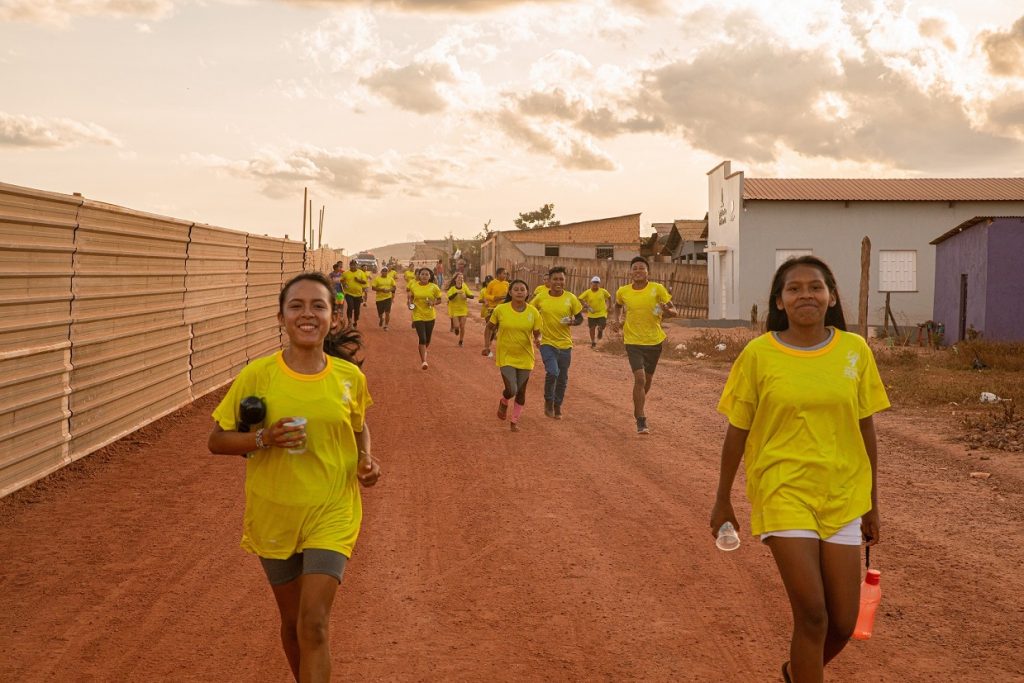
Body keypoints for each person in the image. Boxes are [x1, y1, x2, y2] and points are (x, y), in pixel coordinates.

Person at [710, 256, 889, 683]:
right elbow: (738, 430)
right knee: (812, 615)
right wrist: (722, 499)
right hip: (783, 489)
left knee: (843, 622)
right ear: (779, 300)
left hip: (843, 493)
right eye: (794, 288)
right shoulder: (758, 354)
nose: (805, 294)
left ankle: (795, 673)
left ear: (831, 297)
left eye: (815, 287)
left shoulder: (855, 350)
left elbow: (866, 427)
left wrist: (872, 505)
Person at [207, 271, 381, 683]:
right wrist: (263, 437)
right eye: (296, 306)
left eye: (318, 306)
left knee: (314, 622)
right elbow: (217, 441)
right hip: (276, 511)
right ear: (280, 317)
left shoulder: (348, 378)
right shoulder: (258, 376)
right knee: (292, 624)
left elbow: (358, 426)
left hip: (333, 509)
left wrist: (367, 460)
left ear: (333, 317)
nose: (308, 314)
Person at [608, 256, 677, 434]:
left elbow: (674, 311)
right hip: (633, 341)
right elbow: (617, 306)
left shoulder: (657, 289)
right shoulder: (623, 291)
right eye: (635, 268)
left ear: (648, 272)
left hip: (654, 341)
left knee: (647, 381)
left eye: (642, 268)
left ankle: (638, 403)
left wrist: (666, 310)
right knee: (640, 379)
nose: (638, 271)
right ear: (630, 272)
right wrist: (617, 320)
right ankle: (640, 417)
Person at [483, 279, 541, 432]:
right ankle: (504, 400)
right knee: (512, 389)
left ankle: (514, 421)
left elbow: (537, 333)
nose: (520, 292)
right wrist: (486, 345)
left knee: (521, 391)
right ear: (510, 292)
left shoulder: (533, 312)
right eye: (516, 289)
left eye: (523, 289)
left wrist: (539, 340)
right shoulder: (501, 310)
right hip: (506, 355)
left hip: (526, 356)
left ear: (527, 293)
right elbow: (489, 328)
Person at [533, 267, 583, 419]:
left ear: (565, 280)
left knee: (562, 378)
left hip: (565, 344)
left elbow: (580, 318)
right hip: (547, 343)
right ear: (549, 281)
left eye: (561, 279)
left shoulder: (571, 298)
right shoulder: (541, 297)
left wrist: (573, 322)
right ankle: (548, 401)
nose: (558, 282)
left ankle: (557, 405)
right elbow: (529, 311)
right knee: (553, 372)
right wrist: (535, 335)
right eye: (555, 279)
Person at [409, 267, 442, 369]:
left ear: (430, 276)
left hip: (430, 316)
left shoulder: (434, 287)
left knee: (427, 340)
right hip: (418, 315)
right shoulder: (414, 286)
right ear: (419, 276)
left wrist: (433, 303)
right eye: (422, 274)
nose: (424, 276)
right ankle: (424, 361)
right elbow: (411, 298)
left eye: (426, 274)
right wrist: (411, 305)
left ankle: (423, 350)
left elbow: (439, 300)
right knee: (422, 338)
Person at [480, 268, 510, 355]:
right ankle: (486, 346)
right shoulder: (492, 283)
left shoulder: (507, 284)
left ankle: (502, 347)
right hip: (492, 308)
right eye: (504, 274)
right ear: (498, 274)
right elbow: (486, 295)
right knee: (490, 326)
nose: (505, 275)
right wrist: (494, 298)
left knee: (501, 328)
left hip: (503, 308)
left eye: (506, 274)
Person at [578, 275, 612, 349]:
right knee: (592, 328)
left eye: (597, 282)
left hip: (602, 312)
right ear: (591, 283)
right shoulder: (588, 292)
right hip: (592, 313)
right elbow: (580, 298)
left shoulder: (603, 291)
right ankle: (593, 341)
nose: (595, 284)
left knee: (602, 325)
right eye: (594, 282)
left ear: (599, 284)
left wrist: (609, 306)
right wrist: (586, 305)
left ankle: (600, 331)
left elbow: (609, 297)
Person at [446, 271, 475, 347]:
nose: (461, 279)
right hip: (455, 310)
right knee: (457, 326)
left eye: (462, 278)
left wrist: (466, 296)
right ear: (455, 279)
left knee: (462, 326)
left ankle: (461, 341)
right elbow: (449, 298)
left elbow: (472, 296)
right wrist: (456, 293)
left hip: (463, 309)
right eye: (459, 278)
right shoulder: (452, 289)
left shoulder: (464, 286)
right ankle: (456, 329)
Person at [340, 260, 369, 329]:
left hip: (358, 294)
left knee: (357, 310)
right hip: (348, 293)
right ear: (350, 265)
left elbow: (365, 282)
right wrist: (344, 284)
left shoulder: (361, 272)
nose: (353, 266)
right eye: (351, 265)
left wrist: (358, 280)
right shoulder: (346, 273)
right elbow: (341, 280)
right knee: (350, 306)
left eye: (354, 265)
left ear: (357, 265)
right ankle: (350, 322)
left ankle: (355, 321)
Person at [370, 266, 397, 330]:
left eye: (386, 271)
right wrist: (381, 289)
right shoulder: (377, 279)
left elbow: (394, 287)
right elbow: (373, 288)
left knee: (387, 312)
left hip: (388, 298)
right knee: (380, 313)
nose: (384, 272)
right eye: (383, 271)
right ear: (381, 272)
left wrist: (389, 290)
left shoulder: (390, 279)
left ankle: (386, 326)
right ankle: (381, 318)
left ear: (387, 272)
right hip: (379, 299)